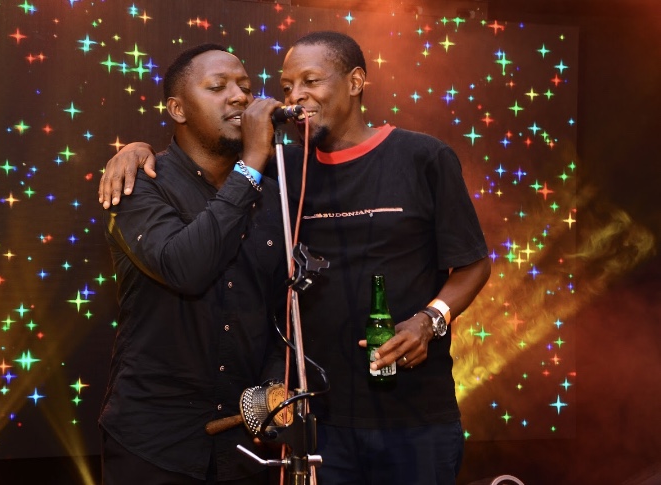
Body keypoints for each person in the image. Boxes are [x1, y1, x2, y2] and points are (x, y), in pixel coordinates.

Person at [99, 31, 491, 485]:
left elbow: (473, 262)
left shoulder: (405, 159)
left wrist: (431, 319)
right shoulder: (264, 174)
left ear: (355, 82)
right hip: (269, 429)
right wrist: (134, 151)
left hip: (398, 418)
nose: (243, 98)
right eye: (286, 87)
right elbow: (195, 264)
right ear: (177, 108)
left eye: (310, 81)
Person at [98, 43, 289, 485]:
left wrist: (275, 384)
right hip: (155, 443)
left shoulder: (276, 191)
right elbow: (186, 268)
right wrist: (251, 164)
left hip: (246, 443)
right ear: (178, 109)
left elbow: (286, 305)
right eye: (218, 87)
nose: (239, 97)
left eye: (245, 87)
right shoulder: (139, 184)